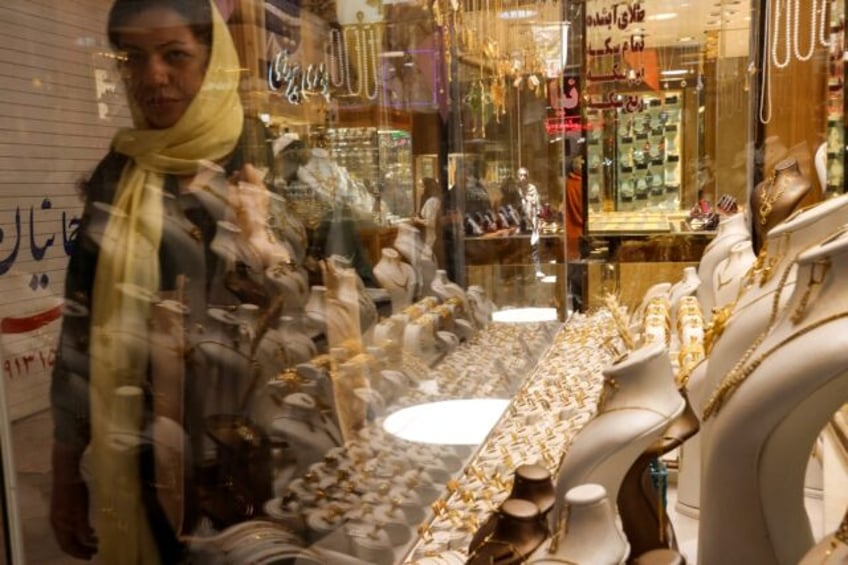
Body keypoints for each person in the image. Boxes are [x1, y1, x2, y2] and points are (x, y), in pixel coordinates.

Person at [49, 1, 277, 561]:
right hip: (146, 455)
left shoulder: (267, 162)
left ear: (213, 63)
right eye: (133, 57)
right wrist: (65, 474)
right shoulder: (119, 172)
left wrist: (267, 250)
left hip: (261, 455)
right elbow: (81, 331)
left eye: (175, 55)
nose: (152, 76)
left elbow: (334, 309)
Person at [517, 166, 543, 277]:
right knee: (521, 249)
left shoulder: (532, 189)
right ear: (518, 177)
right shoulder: (515, 190)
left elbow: (538, 207)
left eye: (525, 175)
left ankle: (537, 270)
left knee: (535, 247)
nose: (523, 177)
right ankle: (522, 273)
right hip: (520, 224)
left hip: (532, 222)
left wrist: (539, 221)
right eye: (521, 175)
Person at [414, 176, 442, 262]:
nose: (420, 188)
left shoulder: (432, 202)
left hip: (431, 241)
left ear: (428, 187)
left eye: (422, 186)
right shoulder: (434, 200)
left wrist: (417, 220)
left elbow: (431, 222)